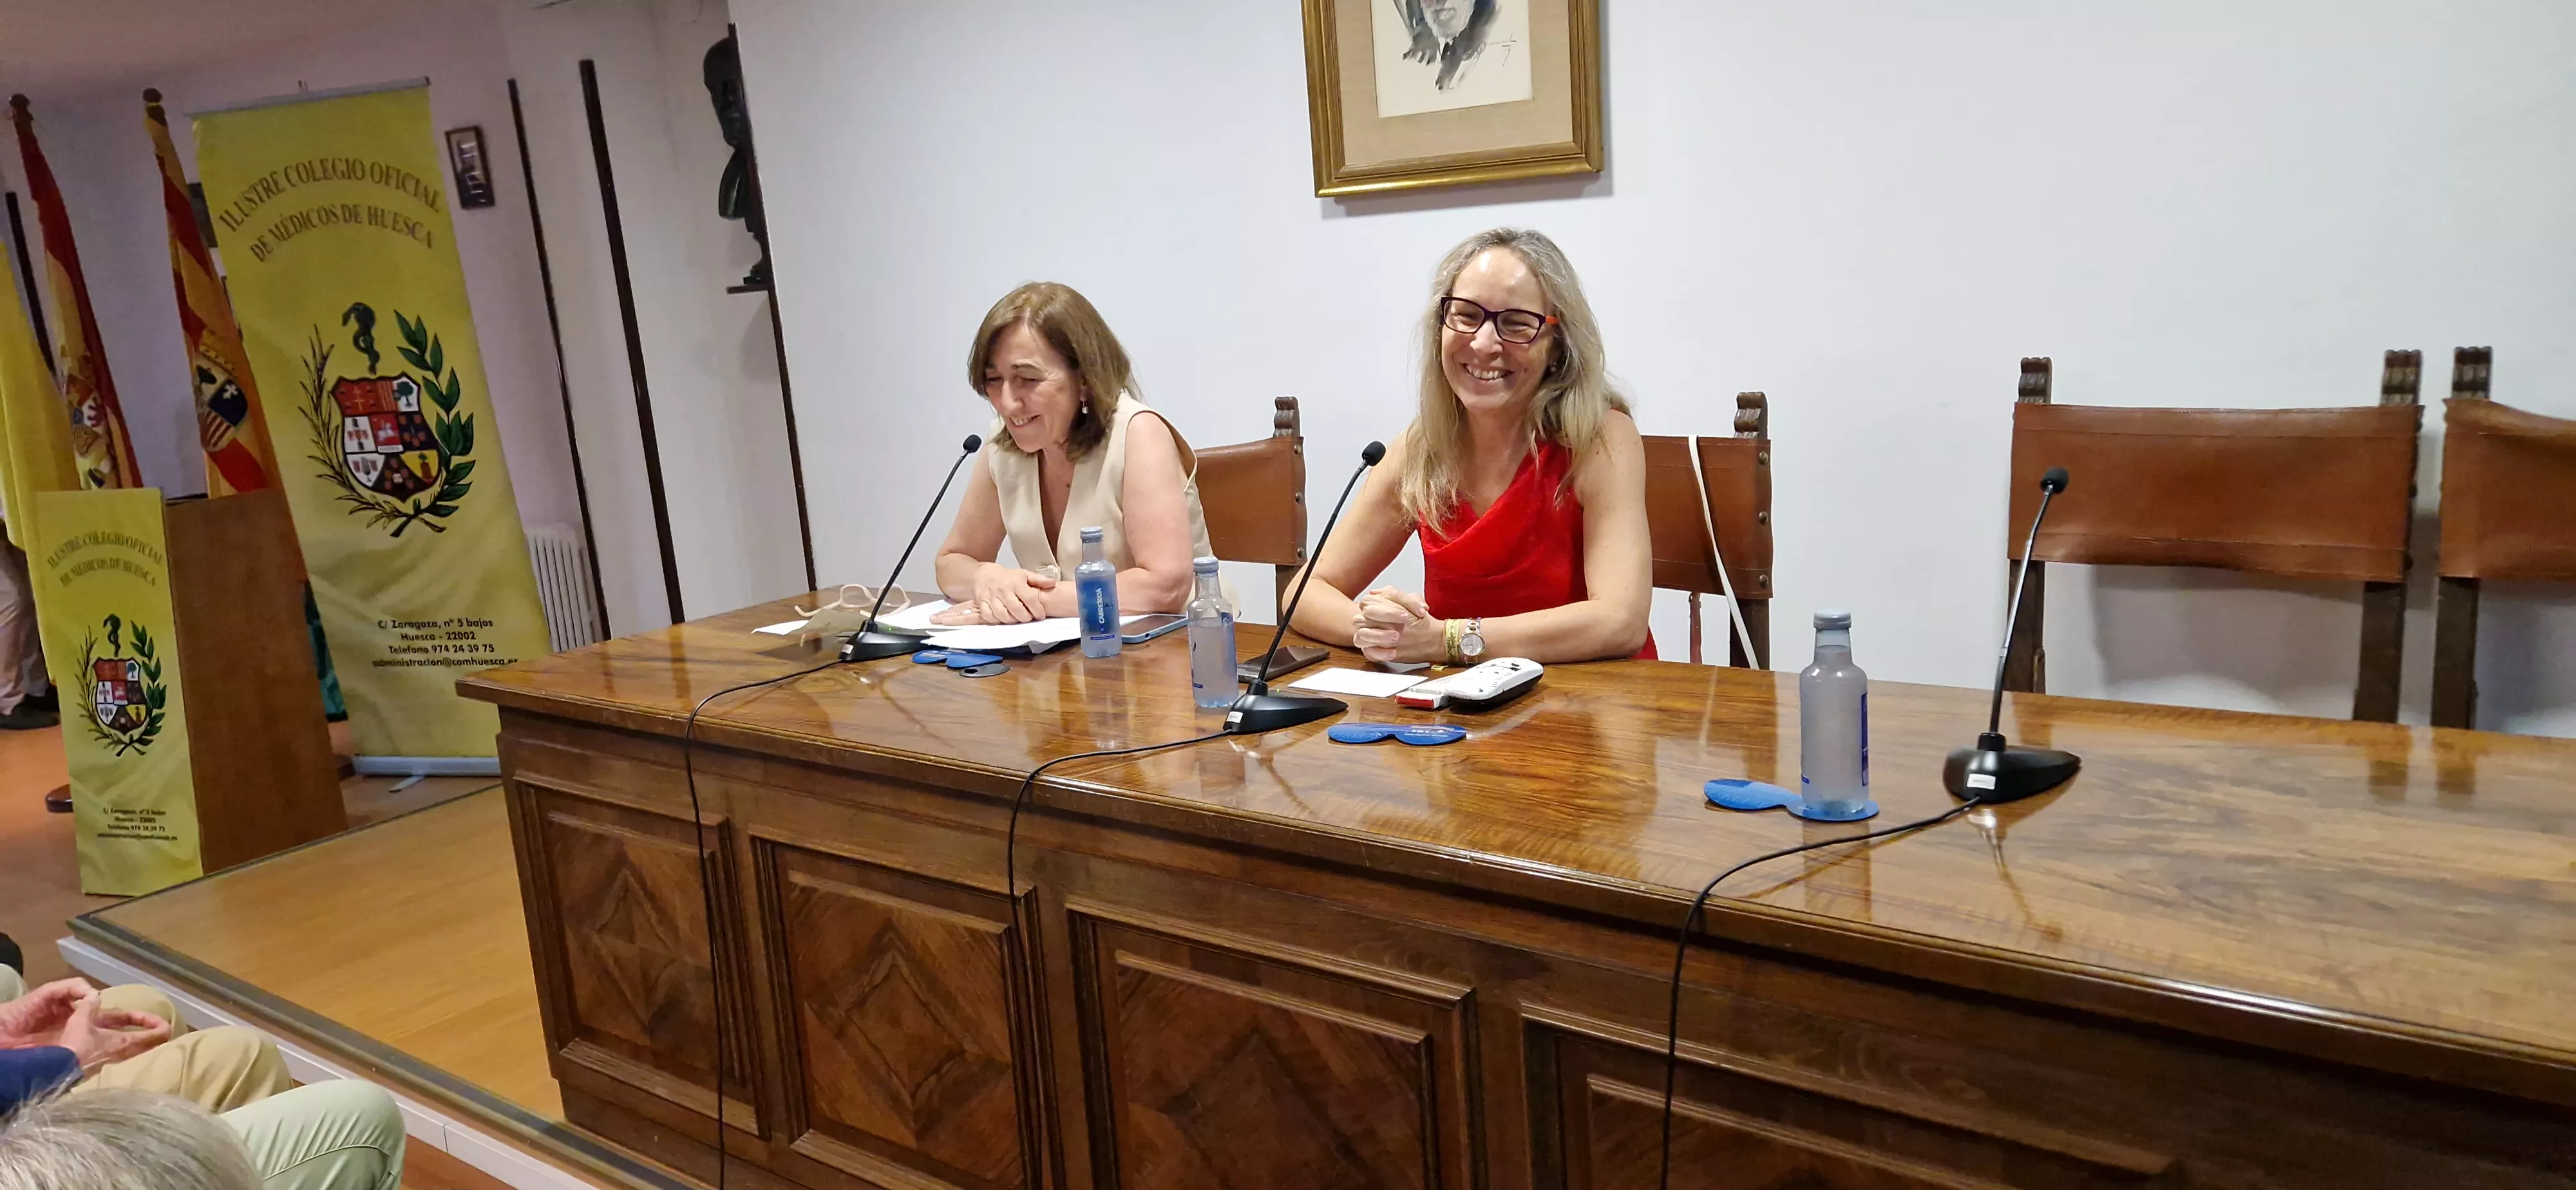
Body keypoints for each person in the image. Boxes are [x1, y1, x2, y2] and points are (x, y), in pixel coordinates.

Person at [1289, 228, 1653, 665]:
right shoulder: (1421, 448)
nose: (1483, 343)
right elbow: (1305, 592)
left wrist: (1446, 639)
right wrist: (1382, 631)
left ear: (1557, 346)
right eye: (1465, 316)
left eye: (1516, 323)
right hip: (1466, 711)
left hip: (1595, 708)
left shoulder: (1602, 438)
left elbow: (1620, 622)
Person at [931, 283, 1216, 625]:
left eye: (1027, 379)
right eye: (994, 380)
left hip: (1180, 653)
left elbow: (1165, 586)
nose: (1007, 403)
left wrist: (1026, 599)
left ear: (1084, 378)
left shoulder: (1139, 434)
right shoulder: (1002, 445)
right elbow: (952, 561)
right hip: (1061, 660)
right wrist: (986, 580)